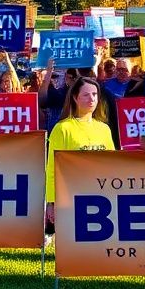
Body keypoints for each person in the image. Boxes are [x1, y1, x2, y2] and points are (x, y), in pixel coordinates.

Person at [45, 77, 115, 231]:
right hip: (71, 196)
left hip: (101, 196)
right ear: (75, 98)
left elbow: (113, 165)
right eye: (86, 95)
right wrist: (51, 202)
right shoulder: (62, 129)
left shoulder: (104, 129)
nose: (92, 99)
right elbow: (51, 169)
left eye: (95, 94)